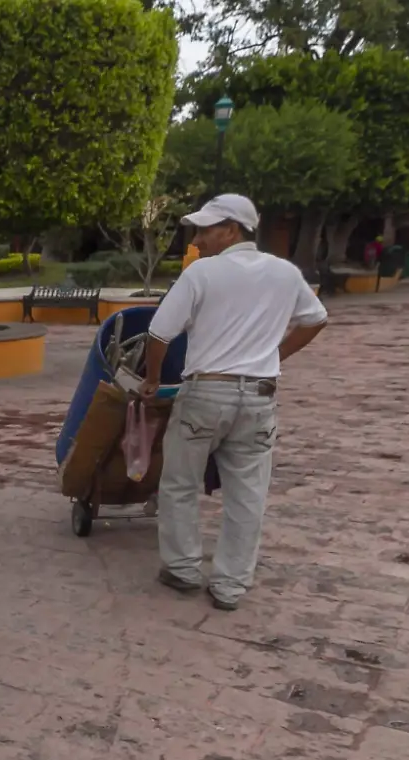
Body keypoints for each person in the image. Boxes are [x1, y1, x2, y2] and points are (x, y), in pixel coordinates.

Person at [139, 194, 328, 611]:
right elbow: (316, 319)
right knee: (248, 494)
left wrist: (152, 380)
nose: (199, 239)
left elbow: (158, 334)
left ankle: (183, 568)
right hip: (259, 397)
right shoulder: (284, 273)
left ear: (232, 230)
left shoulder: (201, 273)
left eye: (206, 230)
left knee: (179, 483)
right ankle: (230, 584)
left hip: (206, 394)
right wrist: (275, 356)